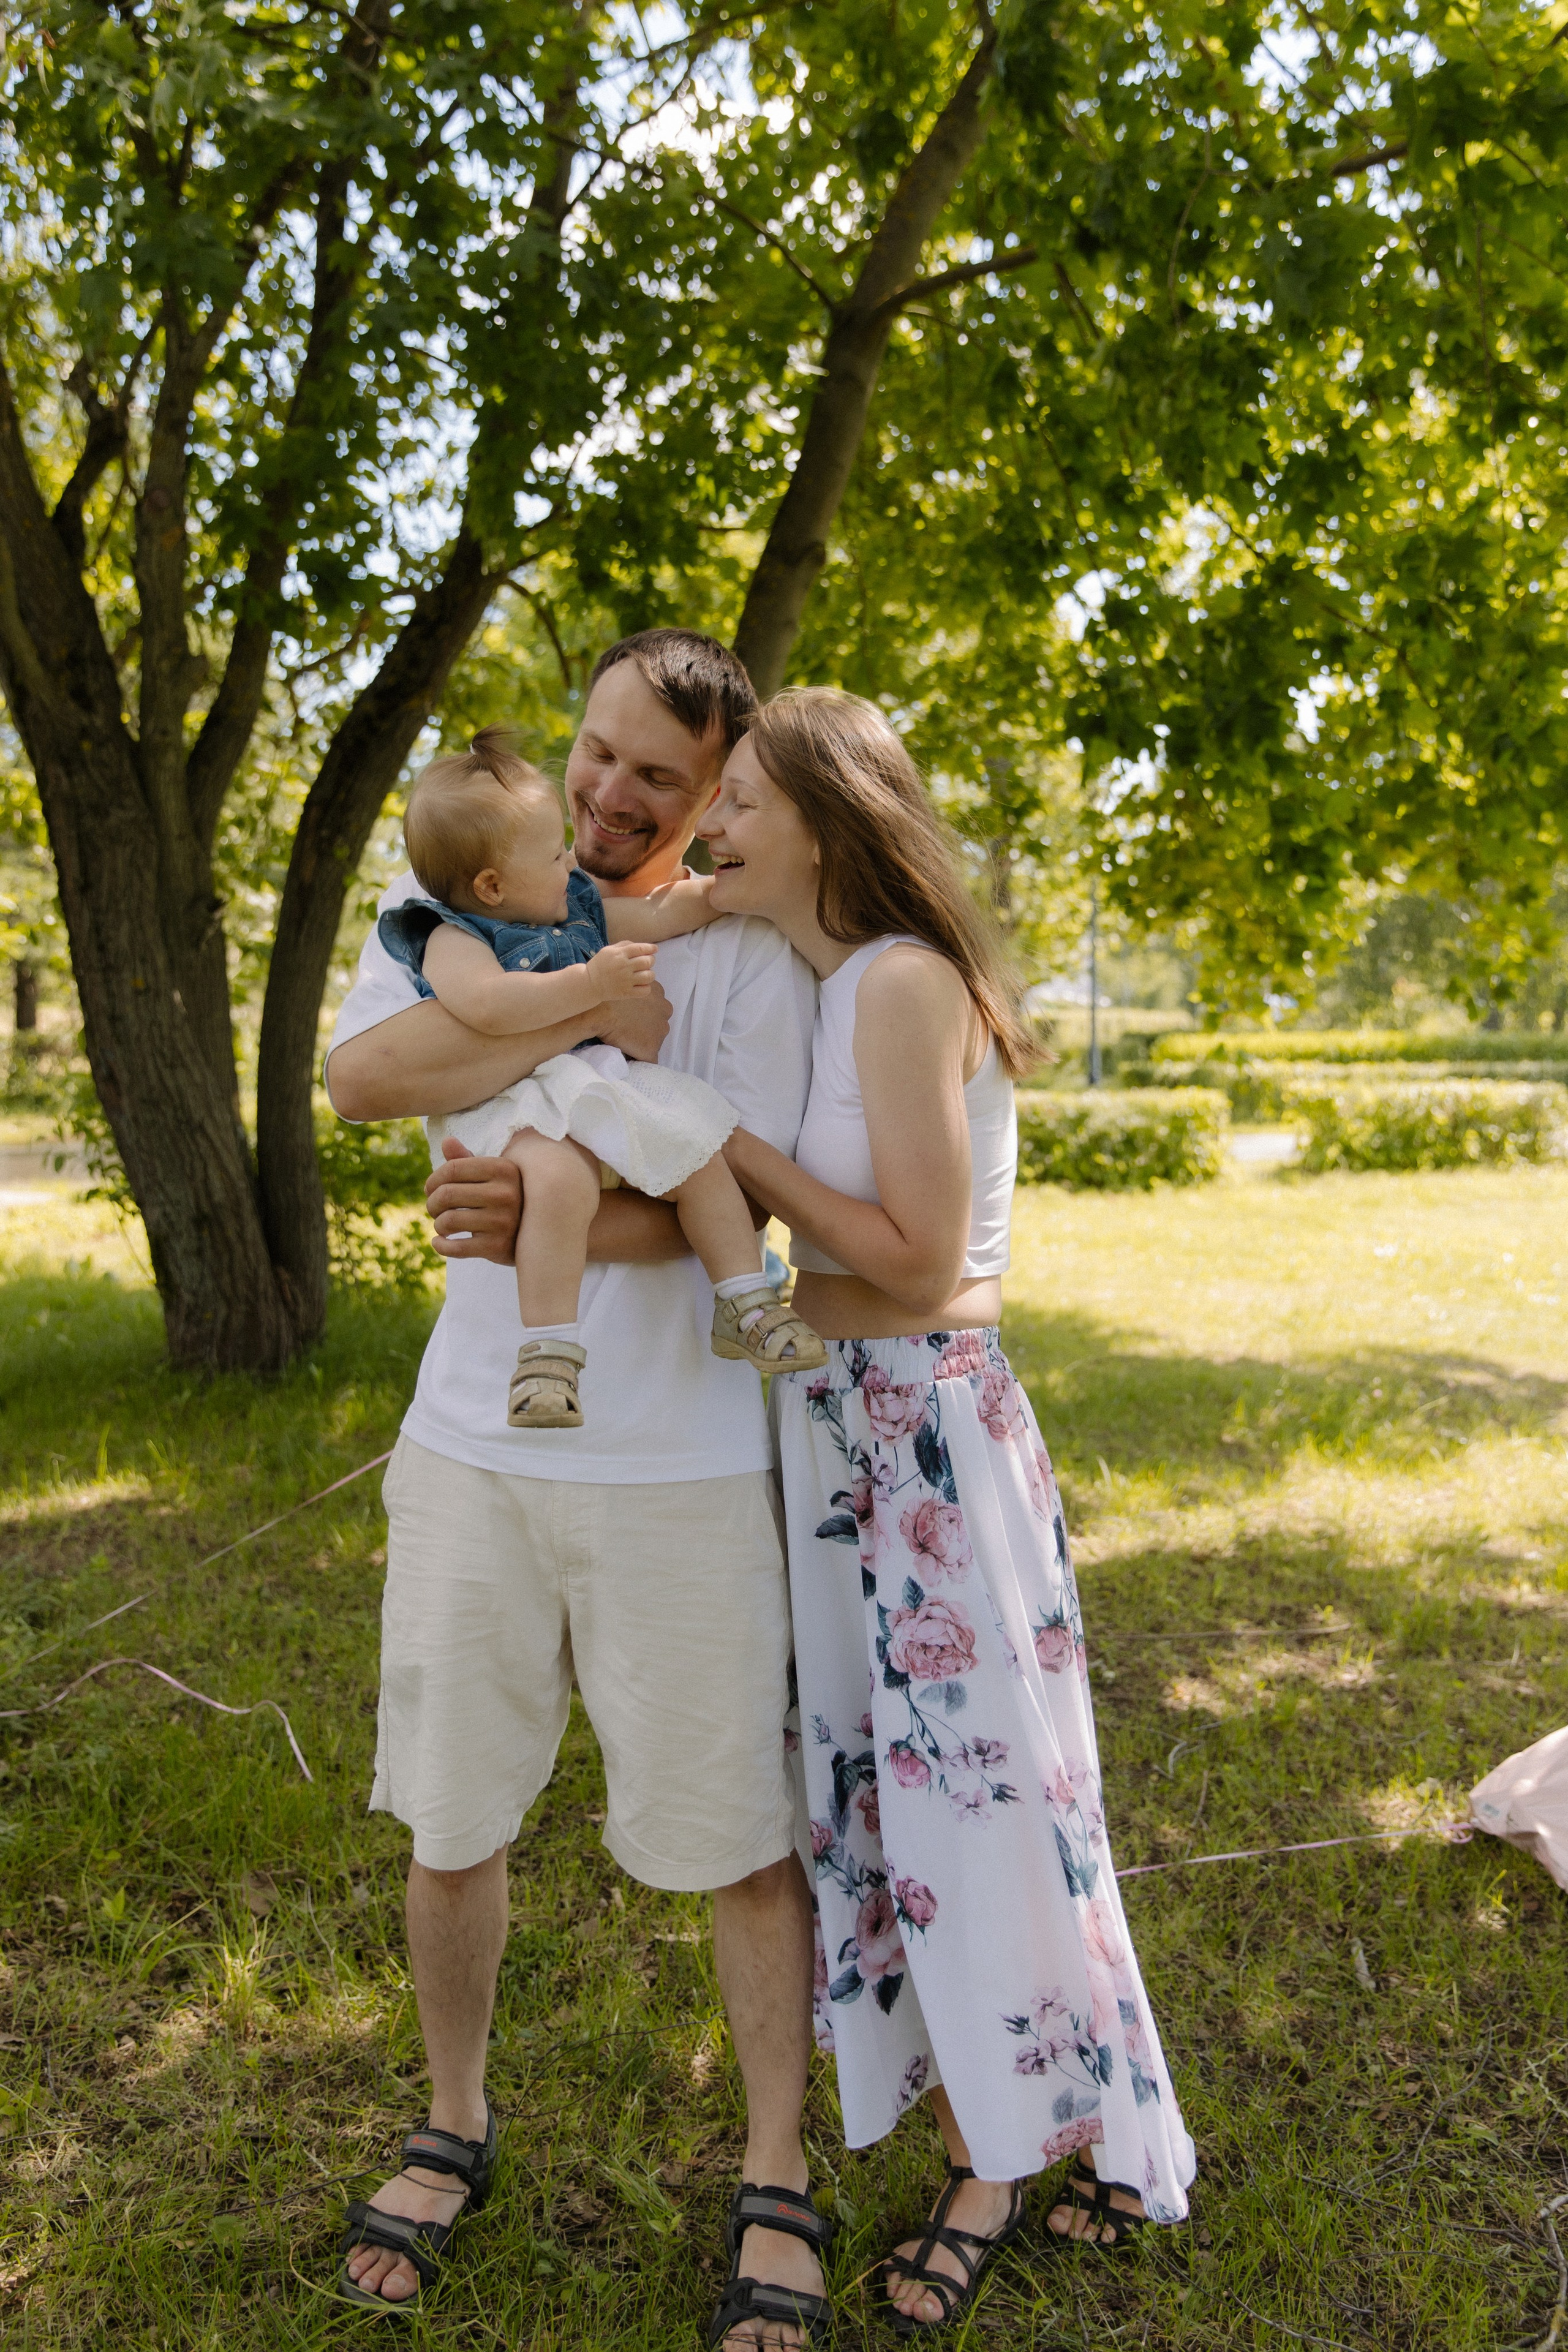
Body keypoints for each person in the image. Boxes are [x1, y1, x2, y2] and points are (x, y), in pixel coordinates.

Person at [322, 631, 830, 2327]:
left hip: (682, 1457)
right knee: (451, 1809)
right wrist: (576, 1009)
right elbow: (368, 1077)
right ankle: (454, 2116)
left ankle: (776, 2166)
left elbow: (729, 1194)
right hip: (472, 1446)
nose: (612, 791)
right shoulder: (464, 892)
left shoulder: (749, 944)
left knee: (740, 1829)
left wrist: (534, 1202)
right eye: (597, 753)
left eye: (657, 777)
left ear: (713, 789)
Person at [699, 688, 1197, 2339]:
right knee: (890, 1791)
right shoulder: (834, 977)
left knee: (972, 1800)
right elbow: (651, 912)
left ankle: (998, 2164)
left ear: (826, 816)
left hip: (919, 1430)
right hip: (841, 1423)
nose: (714, 822)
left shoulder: (900, 981)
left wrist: (729, 1150)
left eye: (742, 797)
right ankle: (1034, 2102)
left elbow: (914, 1264)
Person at [380, 727, 824, 1429]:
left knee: (699, 1154)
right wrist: (592, 989)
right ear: (492, 885)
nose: (571, 861)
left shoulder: (576, 907)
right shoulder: (450, 935)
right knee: (560, 1187)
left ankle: (745, 1301)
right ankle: (547, 1357)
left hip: (596, 1086)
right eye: (552, 854)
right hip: (523, 1104)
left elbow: (660, 913)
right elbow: (487, 1006)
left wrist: (729, 889)